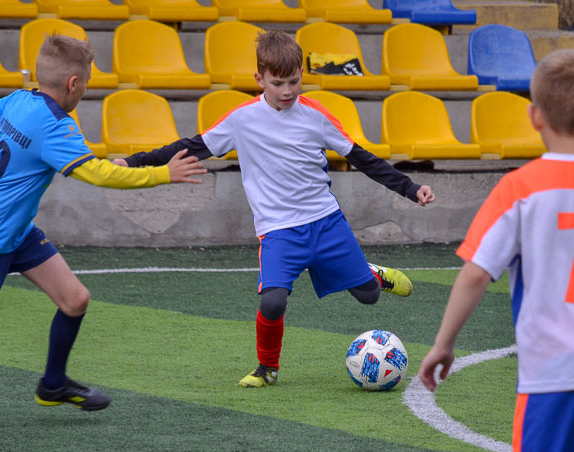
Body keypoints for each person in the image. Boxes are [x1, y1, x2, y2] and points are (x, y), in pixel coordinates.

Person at [0, 34, 206, 423]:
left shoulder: (19, 100)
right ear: (73, 84)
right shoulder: (54, 127)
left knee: (75, 300)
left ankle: (52, 384)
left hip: (16, 232)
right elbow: (98, 174)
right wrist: (163, 174)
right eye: (86, 82)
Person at [113, 31, 436, 388]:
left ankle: (372, 275)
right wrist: (134, 162)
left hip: (326, 223)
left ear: (302, 75)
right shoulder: (241, 119)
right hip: (279, 231)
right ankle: (267, 369)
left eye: (294, 81)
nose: (287, 91)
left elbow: (361, 158)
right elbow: (191, 146)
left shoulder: (316, 115)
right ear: (259, 79)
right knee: (273, 302)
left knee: (369, 297)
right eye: (277, 83)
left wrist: (410, 188)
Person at [418, 48, 574, 452]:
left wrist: (443, 344)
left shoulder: (519, 189)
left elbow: (475, 275)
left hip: (552, 376)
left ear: (535, 116)